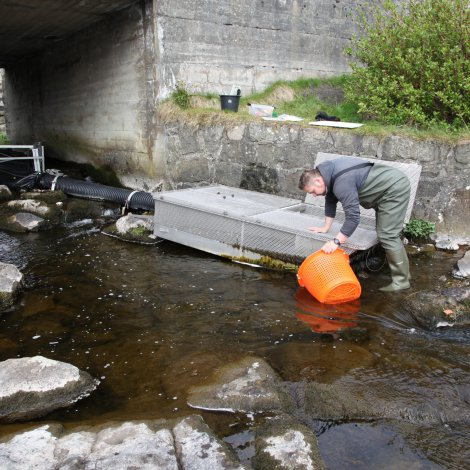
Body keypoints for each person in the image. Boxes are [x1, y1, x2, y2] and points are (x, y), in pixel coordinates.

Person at [298, 157, 411, 291]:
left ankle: (402, 281)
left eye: (312, 192)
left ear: (317, 180)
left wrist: (336, 242)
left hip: (393, 189)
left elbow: (353, 218)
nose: (314, 195)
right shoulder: (326, 172)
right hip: (385, 188)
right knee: (385, 233)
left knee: (387, 235)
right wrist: (325, 227)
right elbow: (330, 199)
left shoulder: (341, 183)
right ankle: (404, 274)